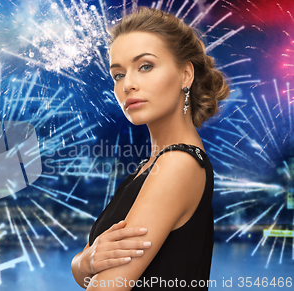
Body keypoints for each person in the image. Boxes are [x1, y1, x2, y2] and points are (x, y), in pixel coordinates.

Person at [71, 6, 230, 290]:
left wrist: (84, 265)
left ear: (185, 75)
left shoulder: (177, 164)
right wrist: (83, 263)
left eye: (145, 66)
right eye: (118, 74)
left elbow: (104, 286)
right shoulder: (149, 166)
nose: (128, 84)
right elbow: (88, 273)